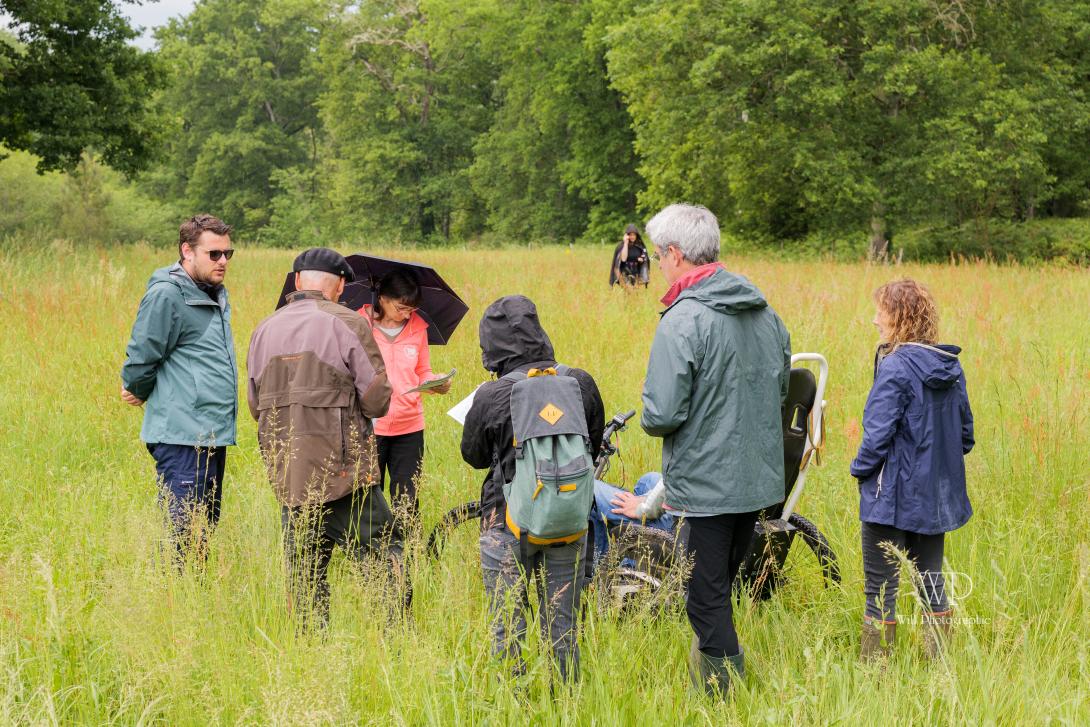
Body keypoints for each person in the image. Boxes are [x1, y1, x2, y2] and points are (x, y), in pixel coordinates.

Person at [637, 203, 791, 695]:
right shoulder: (767, 313)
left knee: (704, 597)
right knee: (719, 586)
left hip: (706, 484)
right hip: (759, 479)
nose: (658, 263)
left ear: (676, 255)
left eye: (659, 255)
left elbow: (661, 415)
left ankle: (727, 696)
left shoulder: (683, 320)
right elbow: (781, 387)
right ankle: (711, 679)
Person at [247, 247, 403, 628]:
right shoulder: (348, 322)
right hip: (344, 475)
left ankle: (310, 648)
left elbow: (254, 406)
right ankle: (395, 642)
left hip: (289, 477)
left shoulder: (263, 329)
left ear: (297, 282)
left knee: (304, 576)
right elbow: (377, 398)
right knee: (385, 556)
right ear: (341, 287)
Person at [460, 295, 604, 682]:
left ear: (491, 344)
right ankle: (567, 702)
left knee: (507, 624)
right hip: (569, 518)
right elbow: (593, 441)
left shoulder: (492, 394)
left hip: (506, 520)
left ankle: (515, 704)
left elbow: (473, 456)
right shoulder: (580, 382)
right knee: (564, 625)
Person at [850, 279, 974, 661]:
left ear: (899, 318)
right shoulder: (950, 367)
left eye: (881, 312)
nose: (874, 320)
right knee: (932, 583)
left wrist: (860, 471)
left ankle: (876, 675)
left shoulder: (896, 368)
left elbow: (876, 437)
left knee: (880, 589)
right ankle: (941, 669)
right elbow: (965, 436)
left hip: (890, 496)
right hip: (935, 498)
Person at [120, 214, 238, 565]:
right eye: (214, 254)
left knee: (205, 526)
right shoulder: (167, 295)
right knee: (182, 529)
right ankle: (172, 598)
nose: (222, 262)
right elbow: (142, 355)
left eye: (228, 254)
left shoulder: (213, 291)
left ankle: (195, 599)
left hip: (212, 431)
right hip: (182, 433)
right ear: (187, 250)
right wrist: (137, 389)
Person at [359, 270, 451, 523]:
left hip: (409, 426)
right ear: (382, 299)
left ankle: (407, 554)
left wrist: (435, 383)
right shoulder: (358, 325)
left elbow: (422, 371)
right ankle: (373, 553)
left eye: (411, 309)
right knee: (366, 495)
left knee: (407, 498)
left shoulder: (418, 328)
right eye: (401, 308)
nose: (407, 314)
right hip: (369, 426)